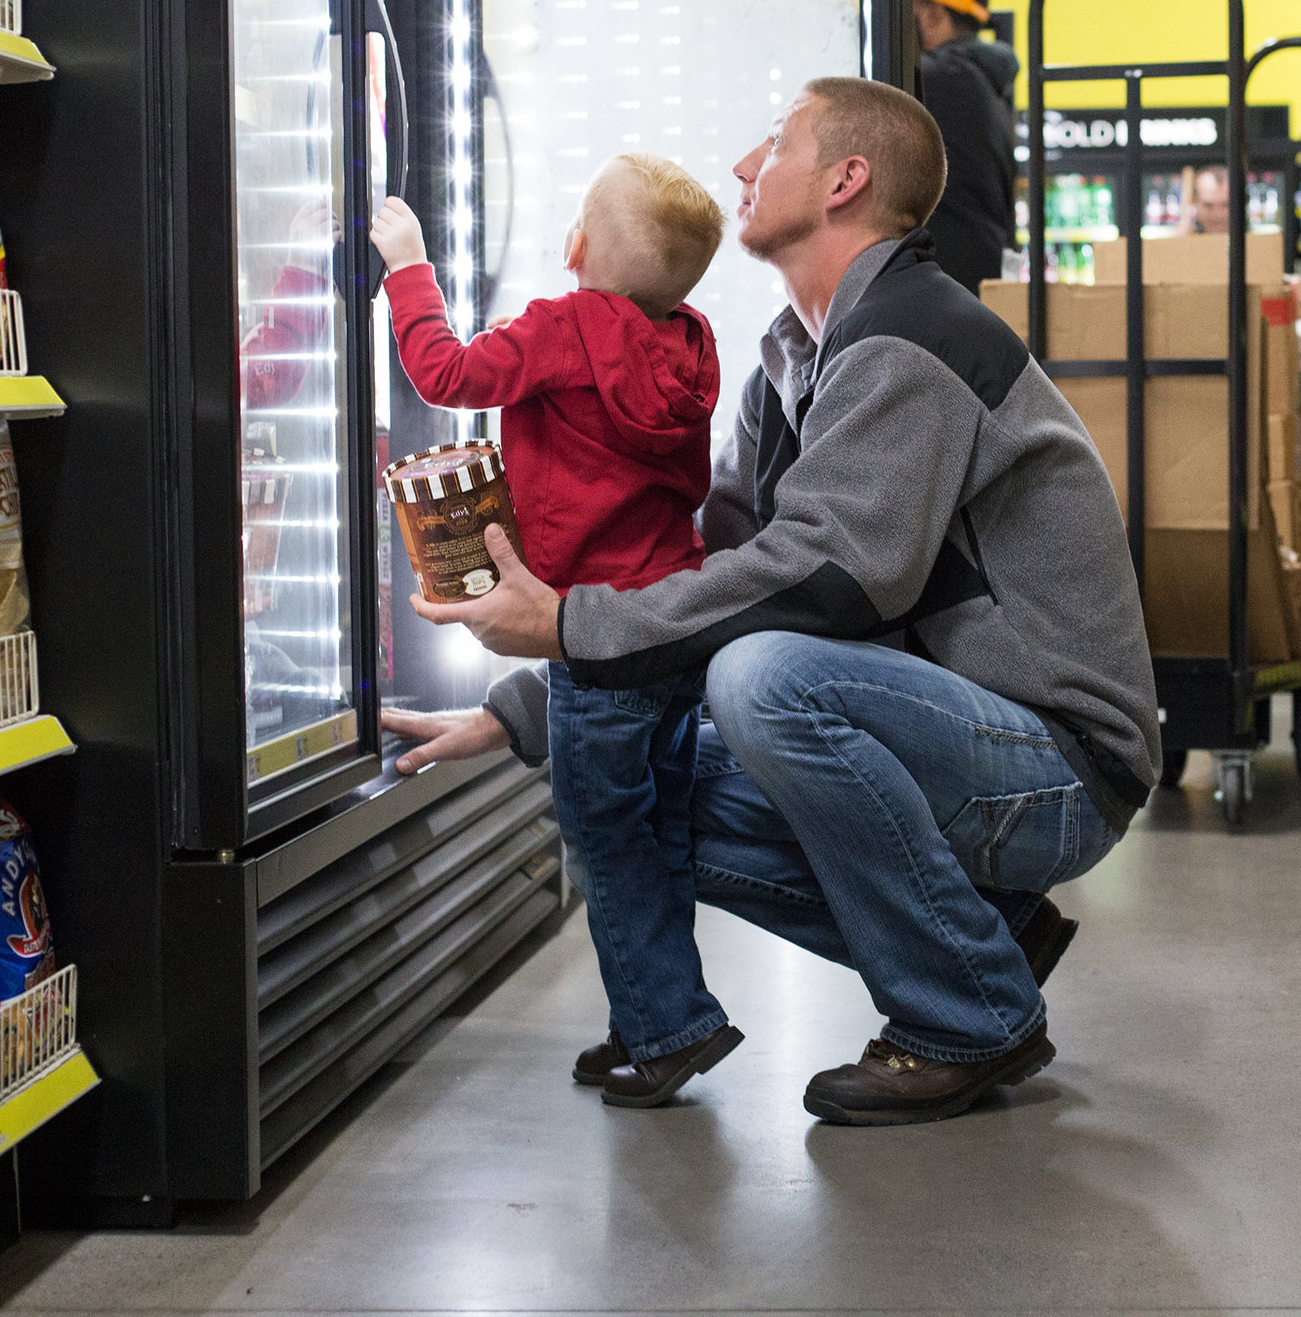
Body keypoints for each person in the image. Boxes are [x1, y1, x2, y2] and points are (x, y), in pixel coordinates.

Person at [381, 78, 1160, 1126]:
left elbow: (823, 578)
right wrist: (526, 707)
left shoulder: (910, 338)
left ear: (844, 180)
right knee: (616, 768)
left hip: (1059, 764)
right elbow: (713, 572)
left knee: (766, 675)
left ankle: (966, 1015)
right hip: (956, 733)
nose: (744, 166)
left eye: (774, 142)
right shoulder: (793, 362)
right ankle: (987, 937)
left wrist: (569, 623)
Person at [370, 154, 735, 1111]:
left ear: (577, 245)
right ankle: (648, 1012)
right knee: (655, 828)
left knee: (603, 837)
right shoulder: (692, 345)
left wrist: (408, 265)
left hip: (583, 635)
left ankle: (667, 1027)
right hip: (665, 629)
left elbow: (442, 371)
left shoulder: (562, 327)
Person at [911, 0, 1019, 291]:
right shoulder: (982, 82)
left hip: (942, 281)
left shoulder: (940, 77)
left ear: (933, 14)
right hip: (968, 278)